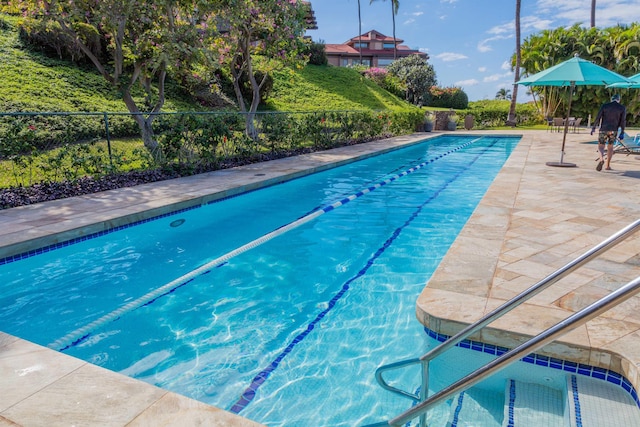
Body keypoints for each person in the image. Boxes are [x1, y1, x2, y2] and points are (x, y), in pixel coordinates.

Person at [591, 93, 626, 171]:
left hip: (603, 129)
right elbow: (623, 121)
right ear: (619, 100)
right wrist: (622, 131)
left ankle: (601, 159)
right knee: (610, 147)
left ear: (611, 99)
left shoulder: (605, 106)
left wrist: (593, 128)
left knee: (601, 146)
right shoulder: (622, 108)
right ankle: (607, 166)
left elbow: (598, 117)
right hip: (614, 130)